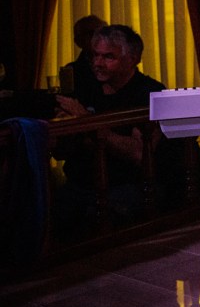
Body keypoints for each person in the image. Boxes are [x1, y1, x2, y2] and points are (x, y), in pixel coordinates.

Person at [53, 24, 168, 229]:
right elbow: (62, 151)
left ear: (133, 59)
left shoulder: (150, 92)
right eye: (95, 56)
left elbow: (138, 153)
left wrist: (87, 120)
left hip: (127, 185)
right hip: (81, 184)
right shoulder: (86, 88)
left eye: (108, 57)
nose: (98, 63)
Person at [62, 14, 106, 104]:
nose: (99, 37)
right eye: (92, 33)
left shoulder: (117, 64)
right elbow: (66, 104)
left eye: (103, 32)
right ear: (78, 41)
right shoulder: (70, 71)